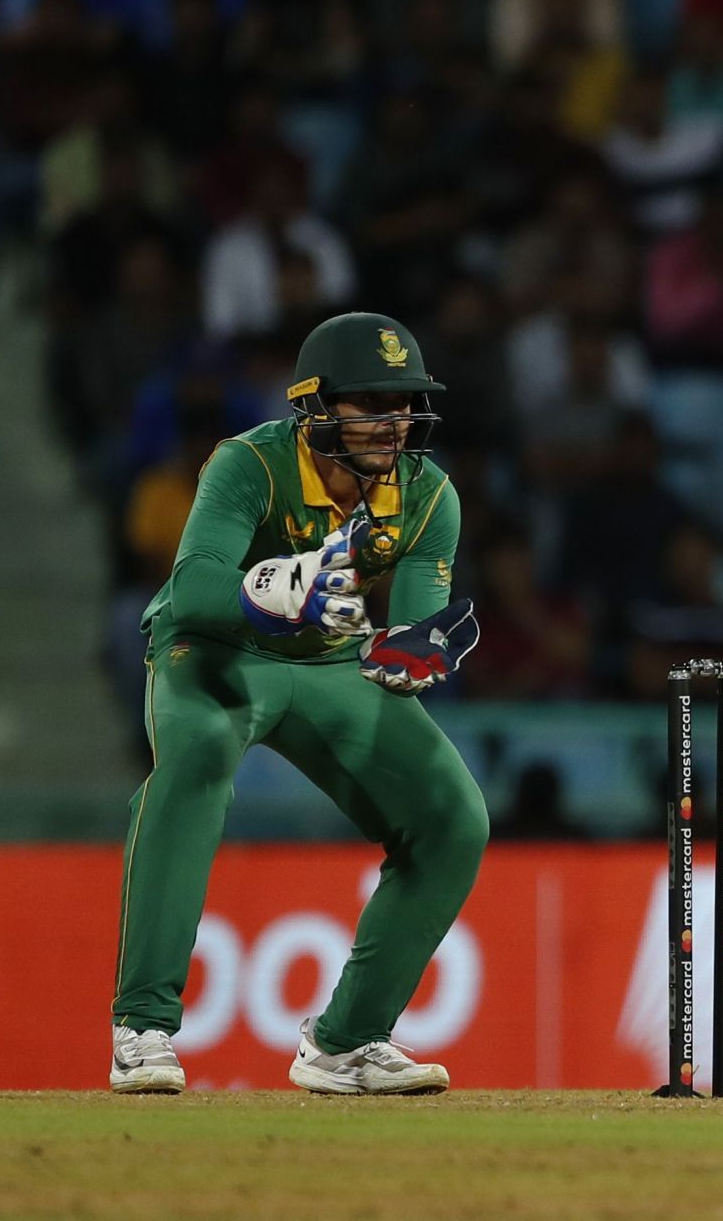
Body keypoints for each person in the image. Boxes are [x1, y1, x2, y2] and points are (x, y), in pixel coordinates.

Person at [108, 313, 484, 1097]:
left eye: (405, 401)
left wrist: (420, 653)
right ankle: (142, 1027)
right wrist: (265, 589)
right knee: (199, 756)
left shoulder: (425, 494)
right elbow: (193, 584)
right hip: (213, 650)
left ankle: (346, 1044)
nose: (395, 423)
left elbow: (410, 626)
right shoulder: (252, 462)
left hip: (327, 662)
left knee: (454, 819)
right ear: (315, 407)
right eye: (371, 403)